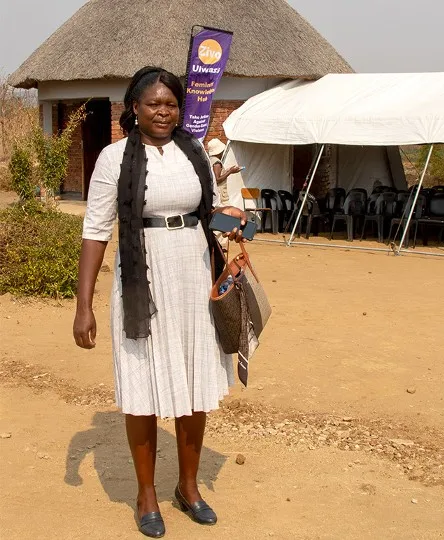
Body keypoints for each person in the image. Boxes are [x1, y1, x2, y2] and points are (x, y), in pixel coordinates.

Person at [73, 67, 247, 538]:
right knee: (143, 384)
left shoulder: (193, 152)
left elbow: (205, 213)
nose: (163, 111)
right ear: (134, 108)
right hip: (141, 281)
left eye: (170, 104)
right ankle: (146, 492)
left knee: (194, 380)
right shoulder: (113, 159)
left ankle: (187, 489)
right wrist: (83, 304)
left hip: (192, 273)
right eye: (153, 104)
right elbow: (94, 232)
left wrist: (228, 221)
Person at [206, 138, 241, 206]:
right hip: (220, 195)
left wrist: (228, 171)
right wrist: (230, 171)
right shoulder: (217, 163)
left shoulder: (210, 160)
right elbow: (217, 179)